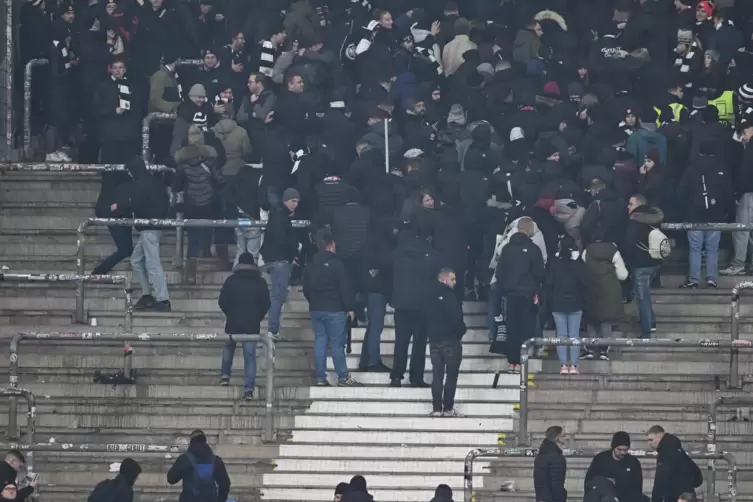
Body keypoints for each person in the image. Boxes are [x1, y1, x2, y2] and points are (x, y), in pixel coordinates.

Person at [110, 156, 171, 312]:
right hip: (155, 227)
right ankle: (146, 295)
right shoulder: (156, 183)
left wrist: (118, 206)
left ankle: (163, 299)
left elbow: (136, 203)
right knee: (136, 260)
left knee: (153, 264)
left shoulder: (141, 185)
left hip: (148, 228)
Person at [302, 229, 360, 387]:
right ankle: (342, 377)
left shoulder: (310, 264)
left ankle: (320, 378)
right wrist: (350, 307)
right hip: (334, 309)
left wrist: (313, 301)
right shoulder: (337, 264)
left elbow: (306, 288)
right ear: (331, 245)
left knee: (320, 341)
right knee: (336, 344)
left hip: (316, 309)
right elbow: (344, 288)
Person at [390, 225, 441, 387]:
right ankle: (416, 377)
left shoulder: (398, 254)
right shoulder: (432, 255)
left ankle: (397, 376)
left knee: (401, 341)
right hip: (422, 304)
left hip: (401, 303)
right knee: (419, 343)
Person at [679, 140, 732, 288]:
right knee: (712, 249)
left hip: (694, 215)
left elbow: (682, 192)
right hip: (716, 215)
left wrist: (683, 212)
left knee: (695, 248)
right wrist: (728, 212)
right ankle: (711, 279)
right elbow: (728, 193)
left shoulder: (691, 168)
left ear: (699, 151)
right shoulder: (721, 168)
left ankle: (693, 279)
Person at [218, 252, 271, 400]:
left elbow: (222, 301)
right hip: (252, 324)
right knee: (250, 357)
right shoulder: (260, 282)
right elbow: (266, 303)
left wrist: (230, 313)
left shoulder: (231, 281)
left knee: (229, 349)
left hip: (233, 322)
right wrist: (257, 316)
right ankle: (248, 389)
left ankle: (225, 376)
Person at [496, 217, 545, 373]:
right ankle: (522, 361)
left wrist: (505, 288)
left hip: (510, 294)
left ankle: (512, 362)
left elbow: (499, 272)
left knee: (512, 328)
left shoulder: (507, 248)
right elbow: (539, 273)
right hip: (527, 294)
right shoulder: (533, 249)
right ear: (530, 229)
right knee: (525, 329)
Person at [425, 268, 467, 417]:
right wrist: (462, 331)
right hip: (450, 340)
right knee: (451, 375)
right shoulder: (450, 296)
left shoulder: (428, 295)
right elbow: (456, 319)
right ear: (444, 279)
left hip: (434, 340)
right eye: (452, 279)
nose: (455, 282)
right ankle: (448, 408)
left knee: (437, 374)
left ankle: (437, 408)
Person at [260, 188, 301, 340]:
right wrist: (296, 247)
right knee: (278, 296)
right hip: (280, 261)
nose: (295, 204)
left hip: (273, 260)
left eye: (297, 202)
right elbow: (282, 239)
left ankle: (273, 329)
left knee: (277, 295)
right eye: (293, 201)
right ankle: (273, 330)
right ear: (285, 200)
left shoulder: (276, 215)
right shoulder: (281, 217)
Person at [582, 234, 628, 360]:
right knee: (606, 320)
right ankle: (603, 351)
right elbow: (623, 275)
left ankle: (590, 349)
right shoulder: (613, 251)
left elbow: (582, 269)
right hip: (609, 290)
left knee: (591, 320)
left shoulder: (587, 250)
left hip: (590, 289)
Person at [623, 195, 664, 339]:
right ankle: (651, 321)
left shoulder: (635, 221)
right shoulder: (655, 218)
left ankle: (647, 330)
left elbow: (629, 243)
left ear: (638, 205)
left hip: (640, 264)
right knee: (645, 294)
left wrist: (625, 258)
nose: (628, 206)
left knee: (642, 297)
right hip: (655, 263)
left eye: (630, 203)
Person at [546, 236, 586, 375]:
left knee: (561, 335)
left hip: (557, 303)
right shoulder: (579, 262)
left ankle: (563, 365)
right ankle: (574, 365)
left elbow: (549, 283)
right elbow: (584, 283)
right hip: (575, 303)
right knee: (574, 335)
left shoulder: (555, 262)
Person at [166, 429, 231, 502]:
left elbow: (171, 479)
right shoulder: (216, 461)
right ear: (204, 441)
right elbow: (225, 484)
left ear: (191, 442)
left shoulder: (184, 459)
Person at [646, 425, 703, 502]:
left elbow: (660, 481)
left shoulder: (667, 453)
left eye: (651, 440)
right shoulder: (676, 449)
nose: (649, 443)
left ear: (660, 436)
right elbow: (696, 475)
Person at [584, 432, 644, 502]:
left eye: (625, 450)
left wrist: (618, 483)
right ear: (613, 447)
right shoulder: (600, 459)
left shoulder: (633, 462)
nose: (622, 452)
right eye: (619, 449)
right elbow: (589, 480)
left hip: (625, 497)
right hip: (602, 496)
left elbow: (637, 486)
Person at [533, 426, 567, 502]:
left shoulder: (541, 454)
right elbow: (557, 484)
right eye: (564, 435)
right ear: (558, 438)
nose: (566, 438)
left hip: (542, 497)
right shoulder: (556, 457)